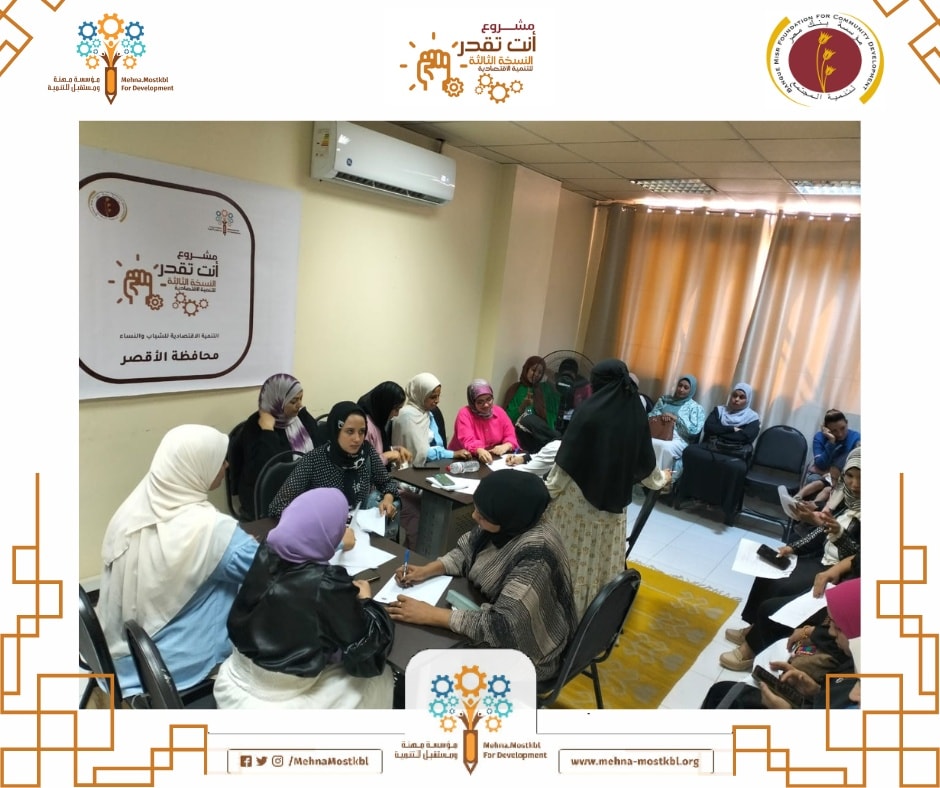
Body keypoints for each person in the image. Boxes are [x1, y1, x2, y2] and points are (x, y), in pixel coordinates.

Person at [96, 424, 259, 696]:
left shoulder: (129, 512)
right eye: (220, 460)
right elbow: (268, 572)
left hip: (119, 659)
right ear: (196, 466)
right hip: (170, 668)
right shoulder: (213, 530)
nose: (227, 465)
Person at [386, 470, 578, 682]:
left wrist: (431, 614)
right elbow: (466, 551)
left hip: (530, 652)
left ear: (507, 518)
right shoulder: (510, 522)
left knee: (427, 665)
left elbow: (502, 627)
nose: (474, 516)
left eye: (483, 515)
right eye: (477, 509)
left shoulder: (537, 554)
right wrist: (427, 570)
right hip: (491, 612)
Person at [213, 488, 395, 709]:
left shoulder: (266, 550)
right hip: (278, 699)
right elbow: (368, 648)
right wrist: (366, 601)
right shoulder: (325, 584)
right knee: (381, 679)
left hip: (234, 680)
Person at [544, 358, 669, 616]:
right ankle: (593, 618)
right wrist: (663, 479)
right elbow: (647, 465)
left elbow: (567, 462)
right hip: (612, 508)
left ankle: (557, 612)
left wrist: (546, 492)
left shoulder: (589, 412)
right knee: (598, 564)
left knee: (569, 559)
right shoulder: (635, 413)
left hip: (576, 505)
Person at [720, 447, 861, 671]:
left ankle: (751, 648)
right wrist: (792, 548)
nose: (854, 484)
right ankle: (753, 628)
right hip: (822, 560)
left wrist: (839, 535)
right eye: (850, 476)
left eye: (861, 478)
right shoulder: (846, 500)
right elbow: (821, 533)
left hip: (840, 575)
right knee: (769, 574)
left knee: (780, 594)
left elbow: (860, 559)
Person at [702, 577, 860, 710]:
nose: (831, 632)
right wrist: (814, 691)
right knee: (723, 691)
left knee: (723, 694)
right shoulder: (854, 664)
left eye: (838, 628)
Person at [267, 401, 399, 526]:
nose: (357, 439)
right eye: (350, 431)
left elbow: (387, 483)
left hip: (359, 527)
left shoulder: (367, 452)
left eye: (361, 432)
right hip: (322, 530)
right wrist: (315, 525)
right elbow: (278, 506)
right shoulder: (315, 460)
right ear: (336, 430)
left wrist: (387, 500)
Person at [391, 373, 472, 549]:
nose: (437, 401)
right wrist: (450, 453)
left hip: (425, 469)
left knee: (445, 504)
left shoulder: (426, 413)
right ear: (420, 394)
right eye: (432, 397)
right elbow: (420, 452)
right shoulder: (407, 416)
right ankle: (419, 552)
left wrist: (451, 454)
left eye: (438, 396)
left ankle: (422, 549)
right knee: (426, 515)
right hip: (406, 477)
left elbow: (437, 443)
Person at [234, 373, 319, 520]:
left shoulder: (298, 418)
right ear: (277, 401)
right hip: (269, 497)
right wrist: (268, 432)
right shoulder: (256, 426)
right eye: (293, 401)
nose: (299, 405)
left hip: (301, 489)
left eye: (301, 399)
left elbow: (320, 449)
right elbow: (269, 470)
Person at [676, 382, 761, 524]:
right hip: (713, 447)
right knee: (691, 452)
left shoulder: (752, 418)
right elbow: (709, 428)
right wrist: (731, 429)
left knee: (737, 468)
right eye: (734, 395)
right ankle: (689, 496)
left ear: (748, 400)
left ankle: (726, 509)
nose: (736, 399)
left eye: (741, 397)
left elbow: (746, 437)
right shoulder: (720, 410)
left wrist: (721, 431)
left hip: (734, 453)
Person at [786, 409, 861, 510]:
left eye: (843, 428)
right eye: (834, 431)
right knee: (816, 481)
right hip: (826, 473)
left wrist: (833, 474)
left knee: (828, 490)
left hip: (842, 475)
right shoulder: (819, 437)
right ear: (827, 429)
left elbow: (855, 463)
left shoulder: (856, 437)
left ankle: (812, 506)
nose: (840, 434)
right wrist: (831, 442)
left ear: (847, 423)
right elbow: (820, 464)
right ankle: (796, 498)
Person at [647, 373, 706, 480]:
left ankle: (661, 479)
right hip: (658, 433)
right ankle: (644, 476)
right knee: (646, 441)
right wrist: (662, 416)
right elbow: (650, 417)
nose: (681, 389)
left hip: (680, 439)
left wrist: (675, 418)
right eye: (680, 385)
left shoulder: (695, 407)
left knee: (664, 447)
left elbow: (694, 431)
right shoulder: (665, 400)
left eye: (686, 388)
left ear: (691, 390)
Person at [449, 379, 519, 464]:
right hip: (462, 459)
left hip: (492, 459)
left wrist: (507, 445)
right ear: (472, 402)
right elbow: (467, 440)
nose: (486, 405)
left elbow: (511, 435)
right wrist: (478, 450)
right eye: (480, 402)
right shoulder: (464, 414)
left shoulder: (499, 412)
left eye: (489, 399)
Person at [502, 355, 561, 452]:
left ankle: (557, 442)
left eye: (540, 372)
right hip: (521, 435)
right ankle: (559, 441)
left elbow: (553, 411)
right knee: (527, 418)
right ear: (526, 369)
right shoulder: (516, 389)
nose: (536, 375)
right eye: (533, 370)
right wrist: (523, 406)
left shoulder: (544, 390)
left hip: (541, 437)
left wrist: (550, 375)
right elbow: (507, 419)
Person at [356, 381, 413, 469]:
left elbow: (376, 451)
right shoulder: (365, 425)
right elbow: (363, 466)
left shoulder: (377, 421)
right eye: (396, 409)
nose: (397, 414)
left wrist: (395, 450)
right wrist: (387, 456)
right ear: (385, 405)